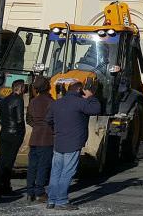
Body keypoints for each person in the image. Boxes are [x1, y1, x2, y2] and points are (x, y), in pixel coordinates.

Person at [46, 80, 101, 210]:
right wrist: (91, 96)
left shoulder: (56, 103)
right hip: (73, 142)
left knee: (55, 171)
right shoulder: (81, 102)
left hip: (59, 141)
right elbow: (97, 109)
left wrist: (57, 131)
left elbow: (48, 120)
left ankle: (51, 200)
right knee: (67, 171)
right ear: (79, 90)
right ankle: (61, 201)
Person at [0, 79, 26, 197]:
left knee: (2, 160)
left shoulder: (5, 100)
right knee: (9, 161)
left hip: (4, 132)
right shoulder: (18, 100)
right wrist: (22, 133)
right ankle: (5, 187)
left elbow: (0, 120)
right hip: (15, 134)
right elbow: (19, 119)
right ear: (21, 88)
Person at [26, 76, 54, 203]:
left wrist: (37, 126)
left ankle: (29, 191)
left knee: (32, 166)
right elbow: (53, 120)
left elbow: (29, 119)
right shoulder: (51, 102)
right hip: (46, 138)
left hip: (35, 137)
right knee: (43, 166)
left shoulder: (33, 102)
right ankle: (40, 192)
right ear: (48, 87)